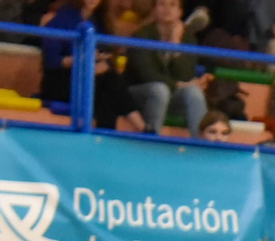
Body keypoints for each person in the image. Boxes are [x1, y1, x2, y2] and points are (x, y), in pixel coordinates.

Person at [40, 0, 145, 131]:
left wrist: (102, 65)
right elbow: (52, 61)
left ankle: (104, 138)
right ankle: (141, 127)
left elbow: (108, 56)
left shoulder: (100, 21)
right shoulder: (62, 18)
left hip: (94, 80)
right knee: (110, 81)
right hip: (61, 81)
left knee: (107, 93)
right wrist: (85, 61)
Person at [126, 0, 211, 138]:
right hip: (140, 93)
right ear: (153, 9)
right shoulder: (141, 34)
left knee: (194, 92)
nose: (167, 9)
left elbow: (186, 75)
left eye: (172, 5)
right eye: (162, 4)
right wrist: (178, 84)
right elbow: (145, 74)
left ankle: (201, 146)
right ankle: (150, 142)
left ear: (180, 11)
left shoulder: (187, 37)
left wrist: (175, 46)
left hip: (171, 94)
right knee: (160, 90)